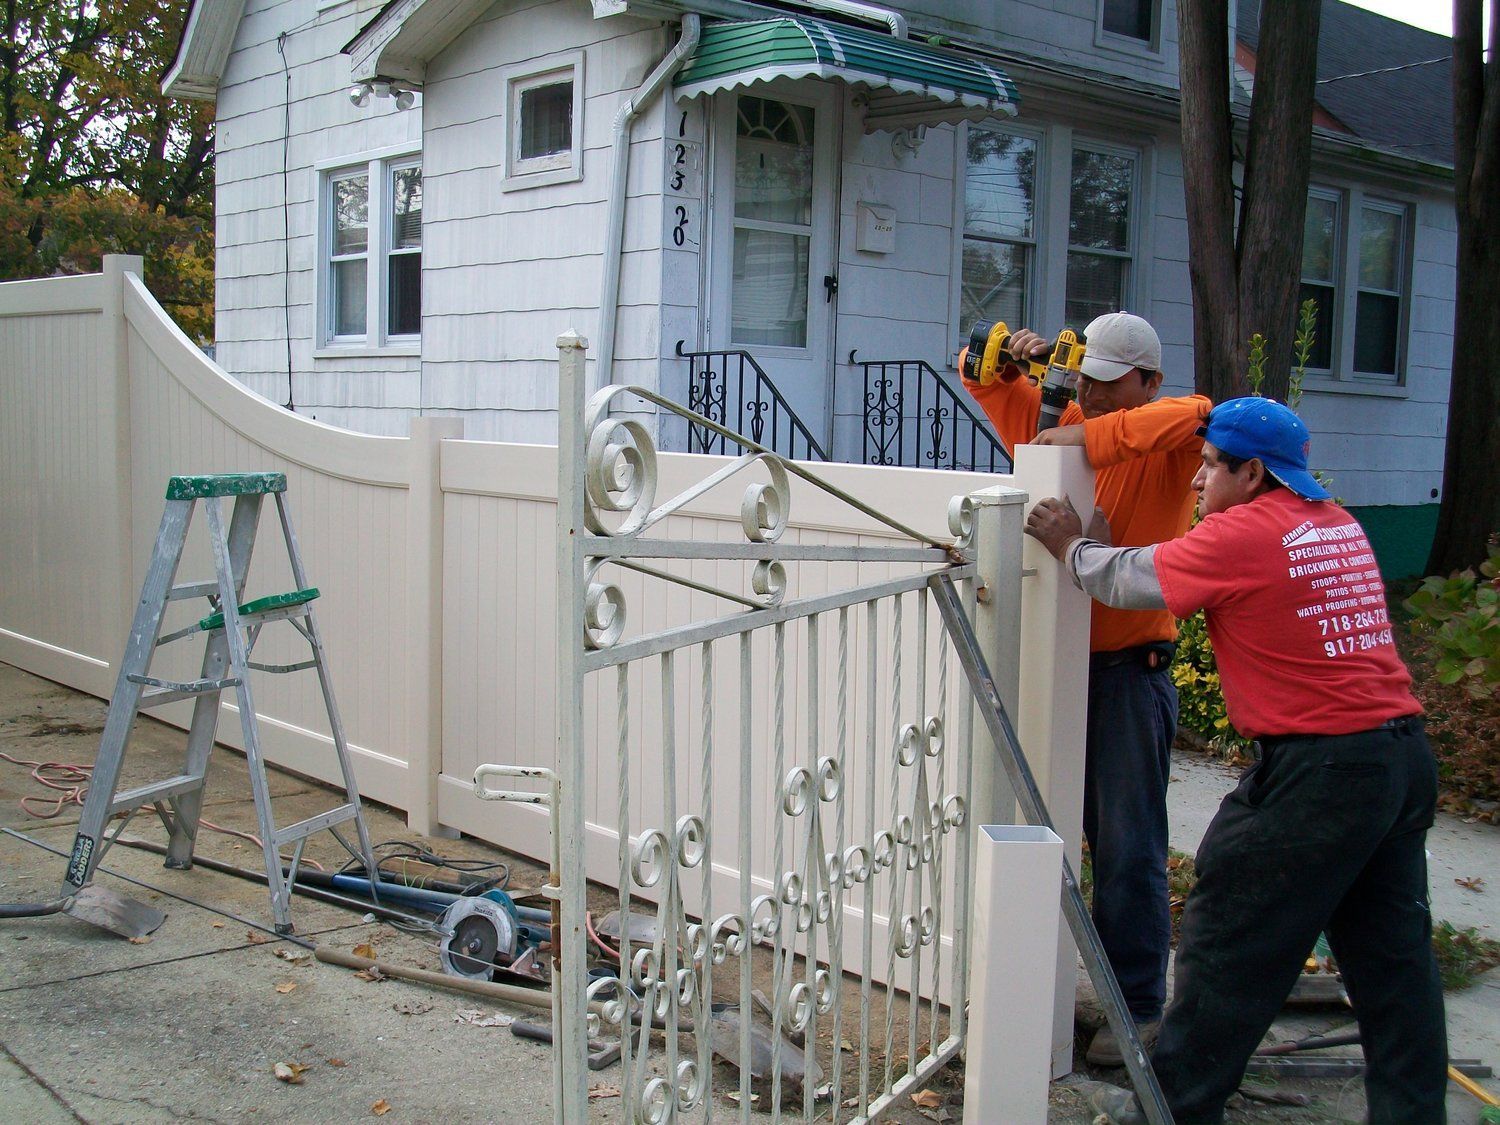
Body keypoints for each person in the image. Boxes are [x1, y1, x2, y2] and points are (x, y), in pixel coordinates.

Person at [1025, 397, 1447, 1125]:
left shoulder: (1244, 533)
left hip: (1321, 772)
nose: (1196, 481)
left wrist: (1072, 545)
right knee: (1395, 968)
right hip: (1399, 762)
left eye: (1211, 466)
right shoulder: (1336, 524)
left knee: (1226, 939)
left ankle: (1174, 1110)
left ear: (1253, 473)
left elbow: (1127, 578)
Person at [962, 311, 1211, 1063]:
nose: (1095, 402)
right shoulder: (1062, 415)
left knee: (1128, 845)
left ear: (1149, 380)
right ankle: (1036, 981)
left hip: (1130, 676)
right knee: (1038, 829)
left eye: (1112, 386)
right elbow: (979, 375)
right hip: (1053, 662)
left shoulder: (1174, 440)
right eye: (1089, 385)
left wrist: (1085, 432)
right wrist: (1010, 360)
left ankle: (1134, 1005)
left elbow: (1202, 413)